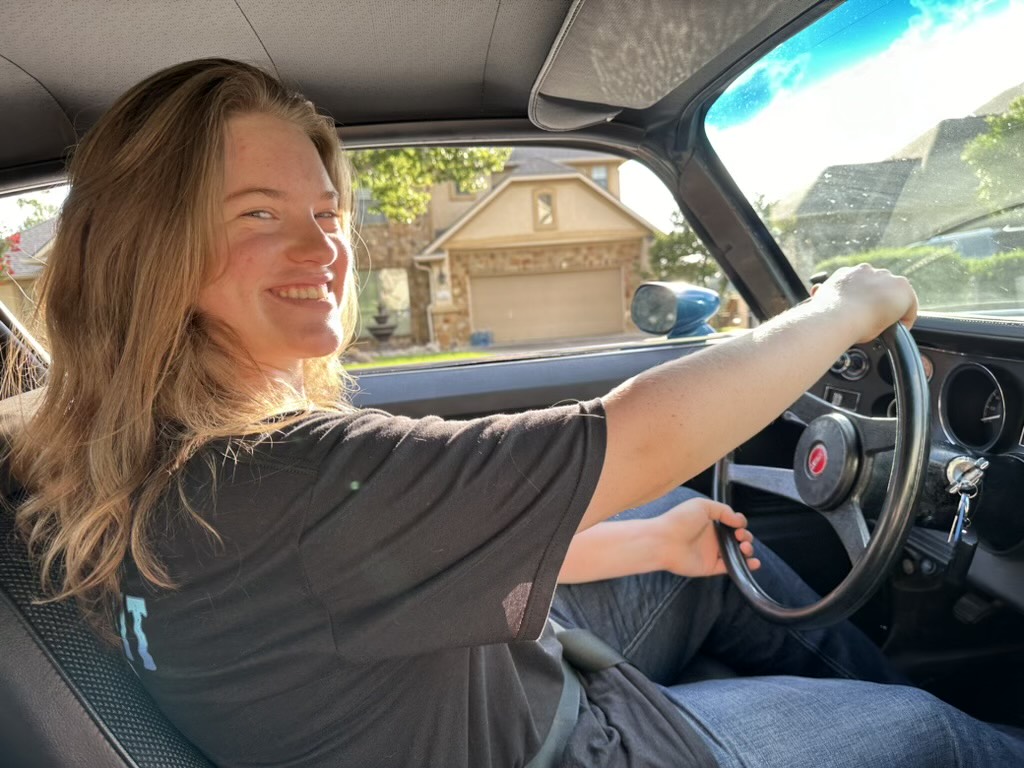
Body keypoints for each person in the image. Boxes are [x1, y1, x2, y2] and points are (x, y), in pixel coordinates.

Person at [4, 58, 1023, 768]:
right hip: (577, 748)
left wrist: (645, 544)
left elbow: (379, 577)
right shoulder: (284, 479)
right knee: (927, 731)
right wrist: (844, 306)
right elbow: (642, 432)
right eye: (258, 216)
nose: (322, 249)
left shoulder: (126, 464)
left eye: (324, 214)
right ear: (152, 256)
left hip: (454, 687)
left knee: (692, 544)